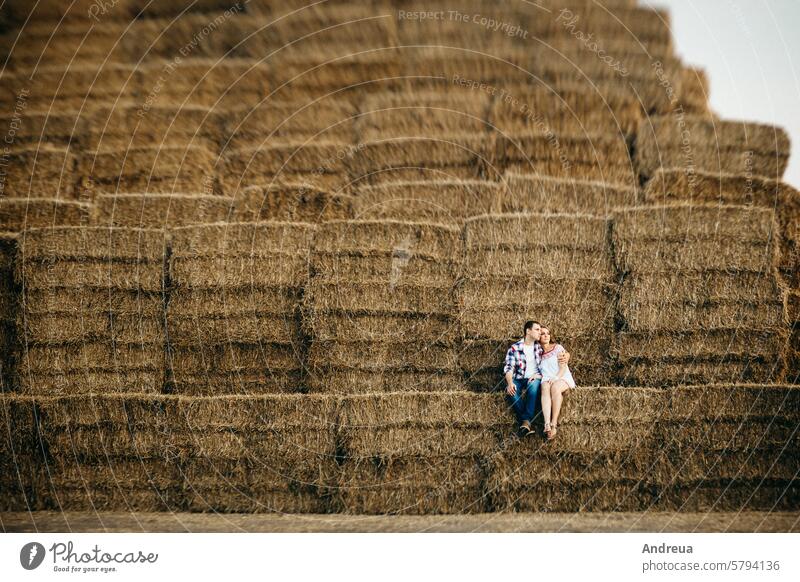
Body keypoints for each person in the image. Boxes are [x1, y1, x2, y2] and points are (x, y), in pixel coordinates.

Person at [503, 320, 569, 436]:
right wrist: (509, 382)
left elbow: (556, 352)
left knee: (533, 388)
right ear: (528, 331)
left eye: (541, 331)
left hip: (535, 378)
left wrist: (567, 356)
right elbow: (509, 368)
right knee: (511, 392)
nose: (540, 333)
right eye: (537, 330)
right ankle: (527, 421)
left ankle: (526, 422)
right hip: (518, 378)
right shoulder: (514, 348)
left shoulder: (540, 348)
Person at [538, 326, 576, 440]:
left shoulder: (557, 348)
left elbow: (563, 368)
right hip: (547, 378)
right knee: (544, 386)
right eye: (543, 333)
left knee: (555, 388)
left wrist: (556, 378)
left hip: (561, 376)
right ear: (538, 337)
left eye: (548, 333)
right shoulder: (537, 353)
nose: (546, 335)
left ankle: (554, 424)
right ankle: (547, 424)